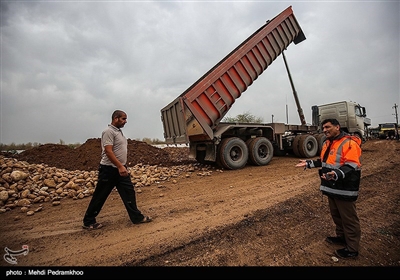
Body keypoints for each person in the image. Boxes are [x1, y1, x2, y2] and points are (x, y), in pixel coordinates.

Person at [295, 118, 362, 259]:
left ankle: (352, 249)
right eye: (323, 128)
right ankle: (341, 238)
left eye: (328, 127)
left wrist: (337, 173)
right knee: (337, 215)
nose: (324, 130)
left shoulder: (349, 143)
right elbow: (325, 162)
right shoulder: (327, 143)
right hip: (331, 186)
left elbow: (352, 165)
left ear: (337, 127)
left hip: (345, 187)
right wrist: (309, 163)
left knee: (349, 219)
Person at [82, 110, 152, 230]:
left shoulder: (118, 132)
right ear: (115, 118)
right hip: (109, 170)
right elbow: (108, 151)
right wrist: (119, 166)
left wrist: (122, 166)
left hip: (121, 169)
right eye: (123, 119)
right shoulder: (108, 132)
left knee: (129, 193)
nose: (125, 121)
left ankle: (137, 218)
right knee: (100, 195)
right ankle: (88, 221)